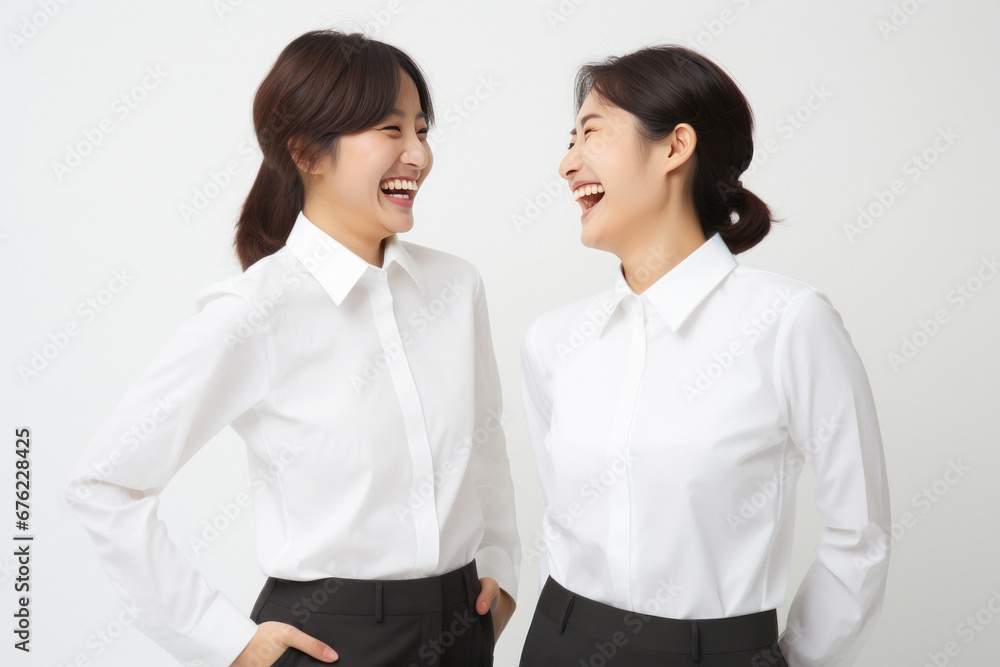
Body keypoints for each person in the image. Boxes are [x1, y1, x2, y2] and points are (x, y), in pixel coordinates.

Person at [63, 29, 519, 667]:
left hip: (461, 625)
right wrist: (226, 641)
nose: (418, 154)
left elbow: (485, 440)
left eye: (423, 129)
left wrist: (500, 571)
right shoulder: (255, 311)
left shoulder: (455, 286)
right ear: (307, 151)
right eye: (391, 130)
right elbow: (103, 482)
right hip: (331, 642)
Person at [517, 45, 890, 666]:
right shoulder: (554, 341)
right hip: (559, 641)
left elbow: (861, 538)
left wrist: (786, 660)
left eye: (591, 134)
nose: (566, 163)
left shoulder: (789, 322)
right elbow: (560, 522)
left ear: (673, 146)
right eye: (569, 140)